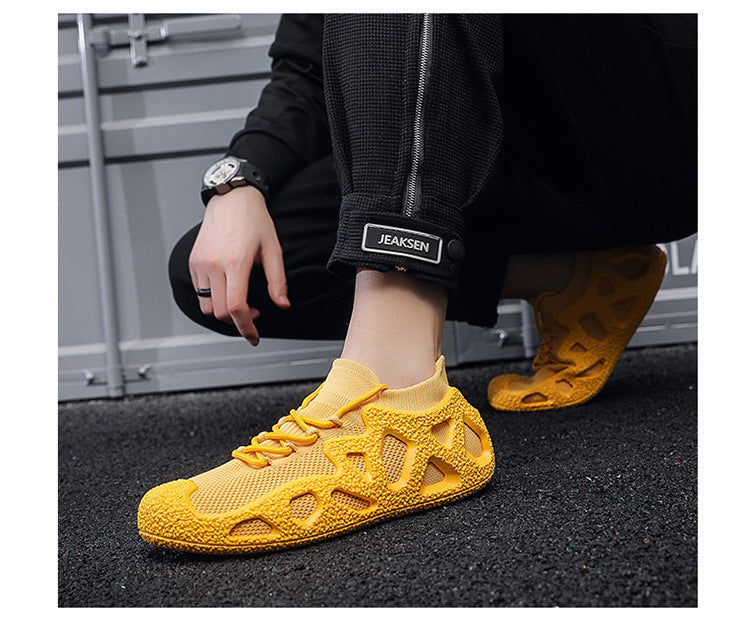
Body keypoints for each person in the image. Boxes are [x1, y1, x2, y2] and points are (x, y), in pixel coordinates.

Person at [137, 14, 696, 553]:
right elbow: (306, 69)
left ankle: (397, 392)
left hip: (654, 115)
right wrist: (239, 180)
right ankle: (577, 280)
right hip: (478, 142)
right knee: (219, 274)